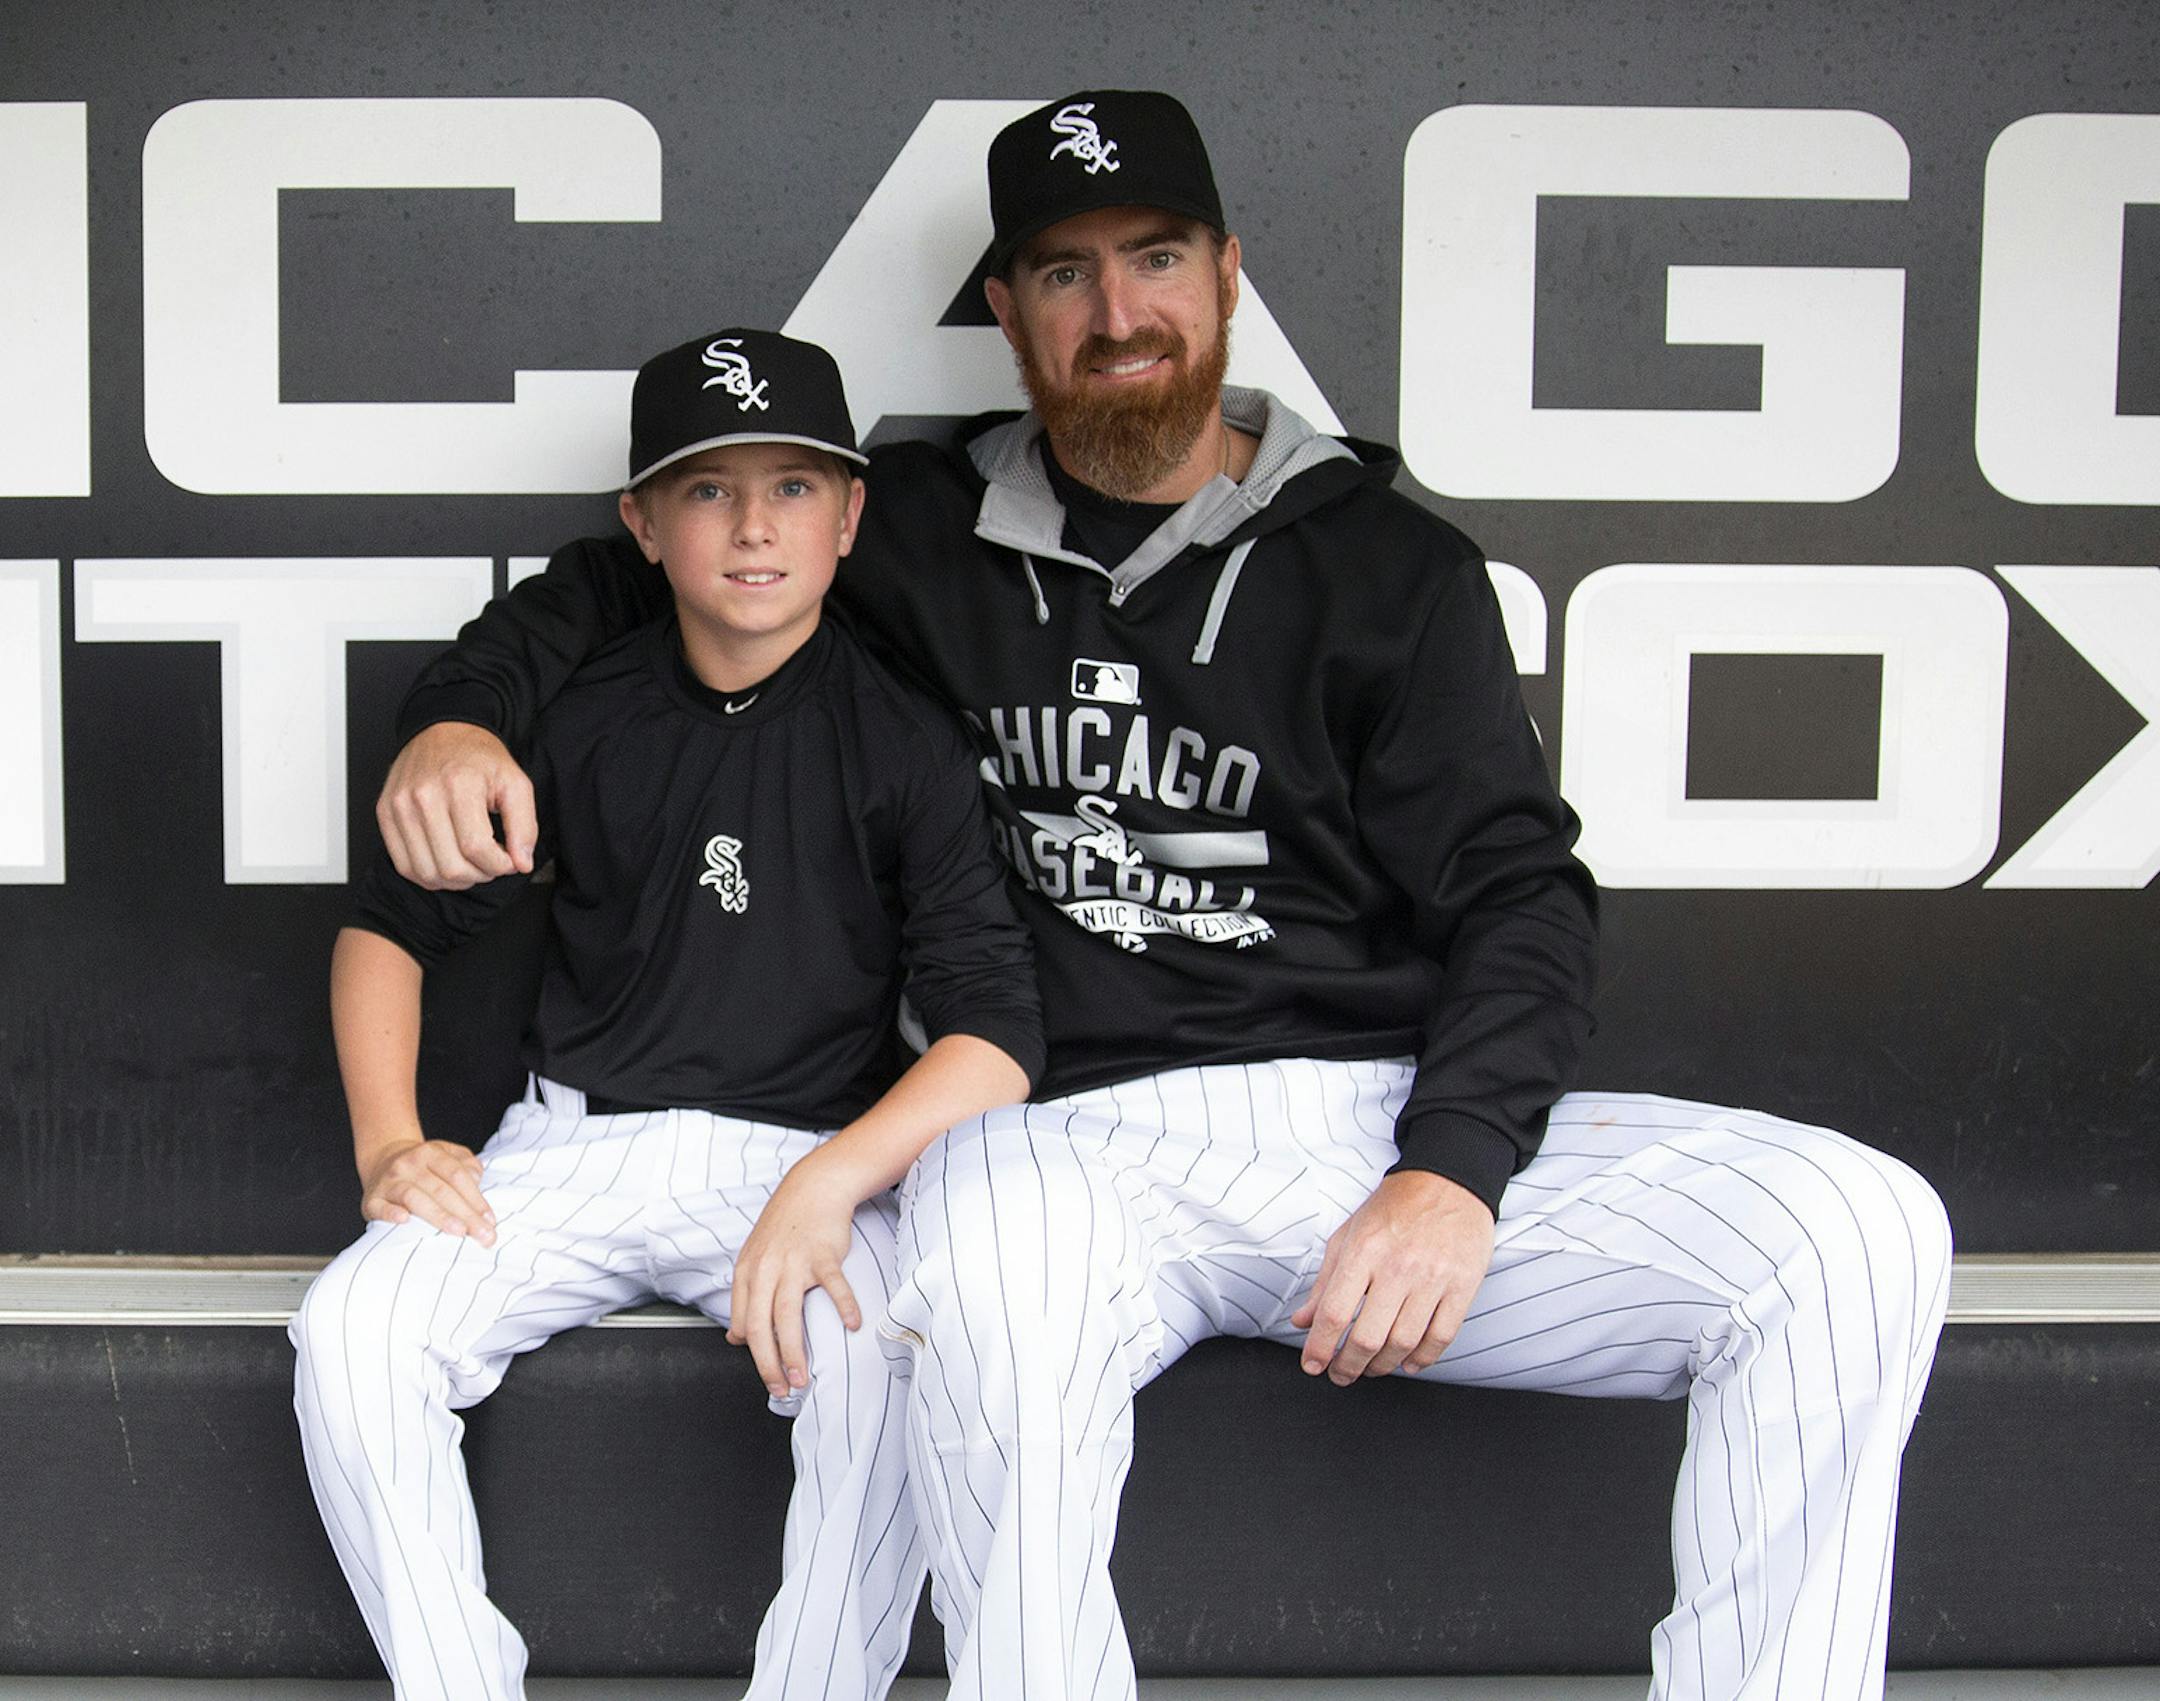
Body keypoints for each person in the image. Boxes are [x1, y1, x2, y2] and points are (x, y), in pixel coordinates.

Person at [374, 93, 1953, 1701]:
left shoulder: (1390, 568)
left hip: (1375, 1117)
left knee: (1854, 1233)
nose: (1118, 313)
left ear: (1226, 276)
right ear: (1006, 311)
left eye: (1155, 258)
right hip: (1075, 1135)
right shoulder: (912, 531)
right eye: (1064, 274)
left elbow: (1521, 897)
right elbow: (617, 583)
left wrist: (1452, 1171)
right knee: (986, 1278)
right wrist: (462, 711)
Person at [291, 327, 1044, 1701]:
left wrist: (833, 1177)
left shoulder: (905, 733)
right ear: (642, 521)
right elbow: (386, 930)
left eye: (795, 486)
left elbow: (997, 1034)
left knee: (884, 1365)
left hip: (800, 1157)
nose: (754, 526)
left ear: (851, 513)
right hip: (573, 1146)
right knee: (353, 1327)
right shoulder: (577, 710)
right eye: (707, 489)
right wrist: (389, 1144)